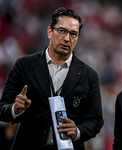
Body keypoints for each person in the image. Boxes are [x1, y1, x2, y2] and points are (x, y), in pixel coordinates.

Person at [0, 7, 104, 150]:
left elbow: (96, 121)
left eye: (73, 34)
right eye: (62, 31)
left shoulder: (89, 75)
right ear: (50, 32)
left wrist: (78, 131)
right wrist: (15, 109)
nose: (67, 38)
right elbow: (2, 108)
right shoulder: (24, 65)